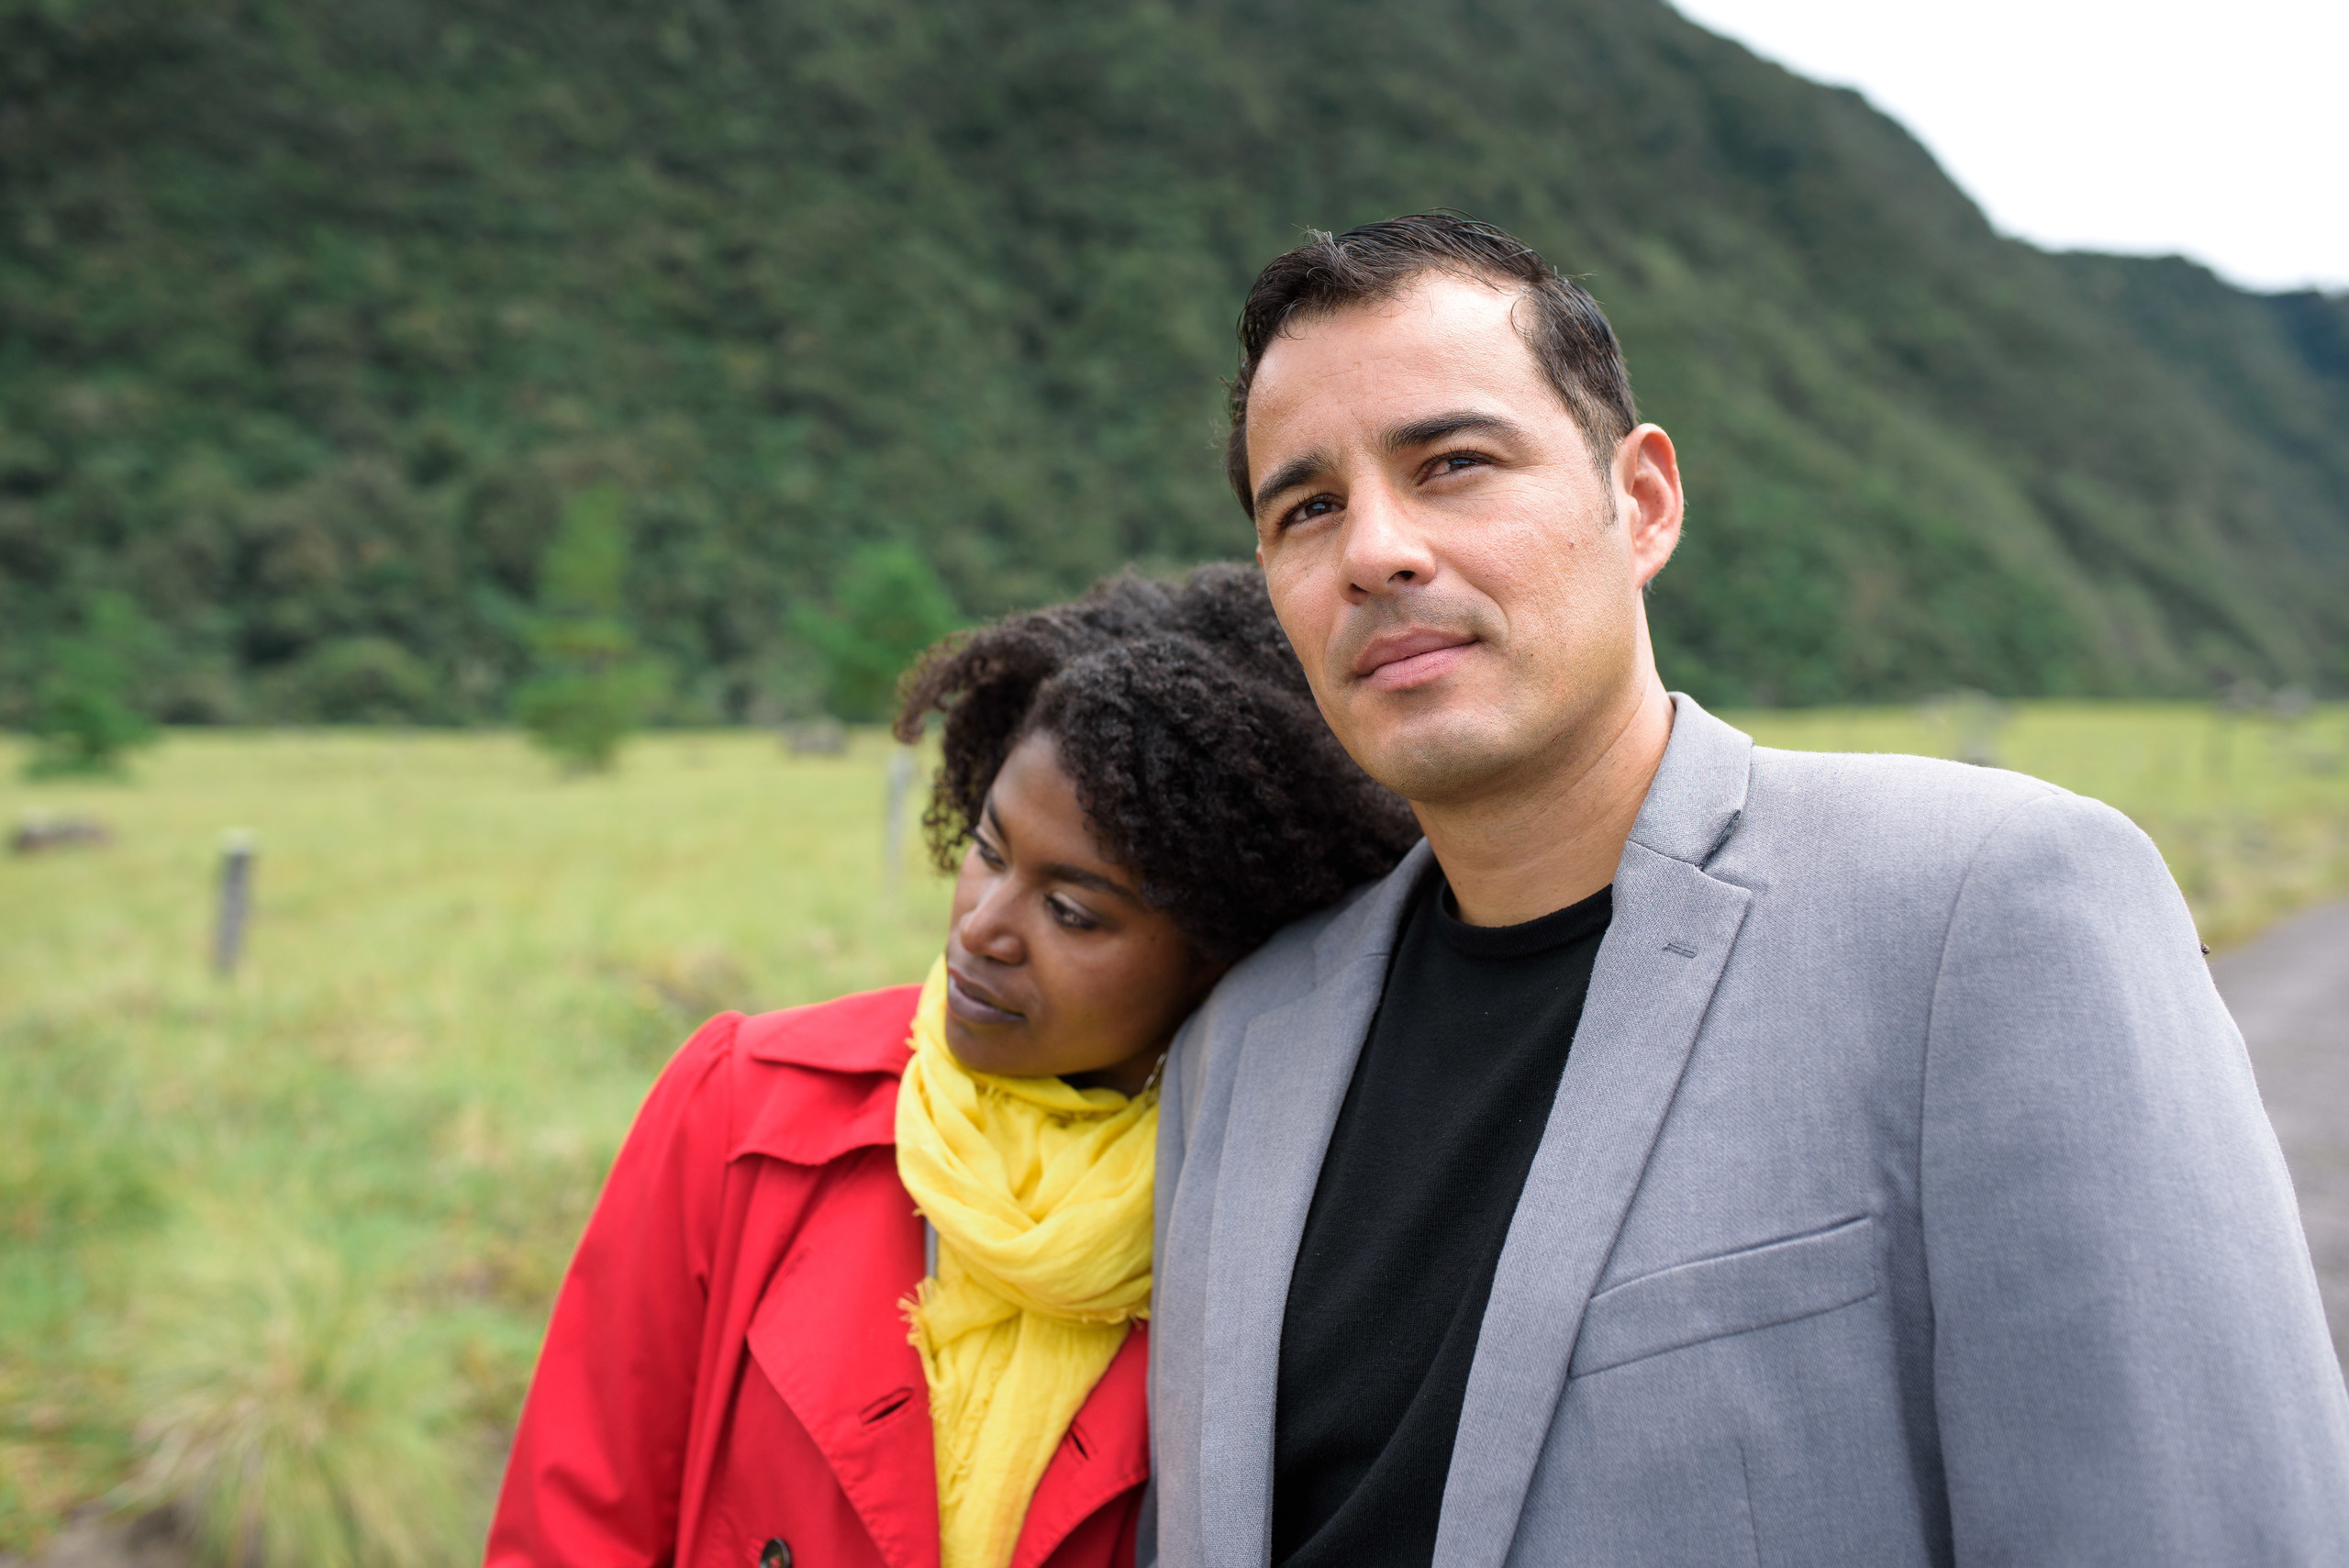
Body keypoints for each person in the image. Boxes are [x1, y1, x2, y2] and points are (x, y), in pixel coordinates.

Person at [1149, 214, 2349, 1567]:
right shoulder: (1237, 1048)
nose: (1377, 548)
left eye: (1455, 464)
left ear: (1643, 501)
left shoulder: (1987, 910)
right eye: (1306, 508)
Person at [484, 565, 1419, 1568]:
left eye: (1072, 911)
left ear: (1221, 954)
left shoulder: (1283, 1231)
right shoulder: (743, 1106)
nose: (981, 925)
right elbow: (572, 1527)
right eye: (987, 847)